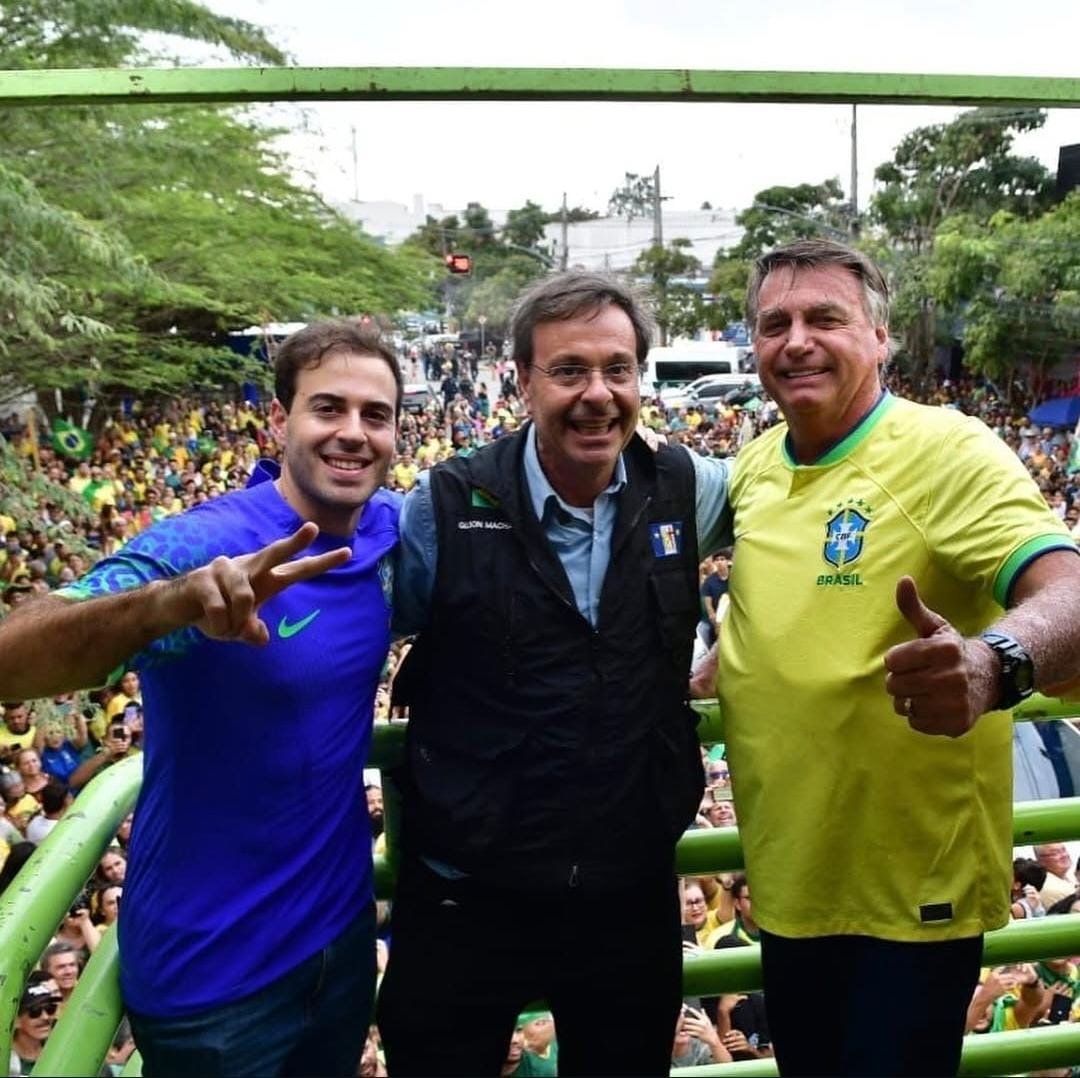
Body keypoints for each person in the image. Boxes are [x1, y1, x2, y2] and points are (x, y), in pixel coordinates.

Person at [715, 238, 1080, 1076]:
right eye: (776, 323)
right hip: (788, 879)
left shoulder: (948, 450)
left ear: (881, 339)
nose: (796, 339)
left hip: (911, 893)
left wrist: (996, 664)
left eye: (826, 319)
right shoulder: (754, 466)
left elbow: (1069, 590)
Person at [0, 320, 403, 1077]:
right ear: (280, 420)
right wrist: (166, 605)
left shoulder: (390, 533)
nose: (352, 433)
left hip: (340, 949)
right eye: (328, 408)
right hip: (213, 982)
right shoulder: (205, 544)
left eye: (374, 415)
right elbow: (12, 660)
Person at [377, 271, 733, 1075]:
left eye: (618, 369)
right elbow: (347, 624)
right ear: (524, 381)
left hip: (627, 888)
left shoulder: (683, 487)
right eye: (569, 371)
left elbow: (797, 528)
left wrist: (736, 647)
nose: (597, 394)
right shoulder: (446, 504)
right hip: (467, 885)